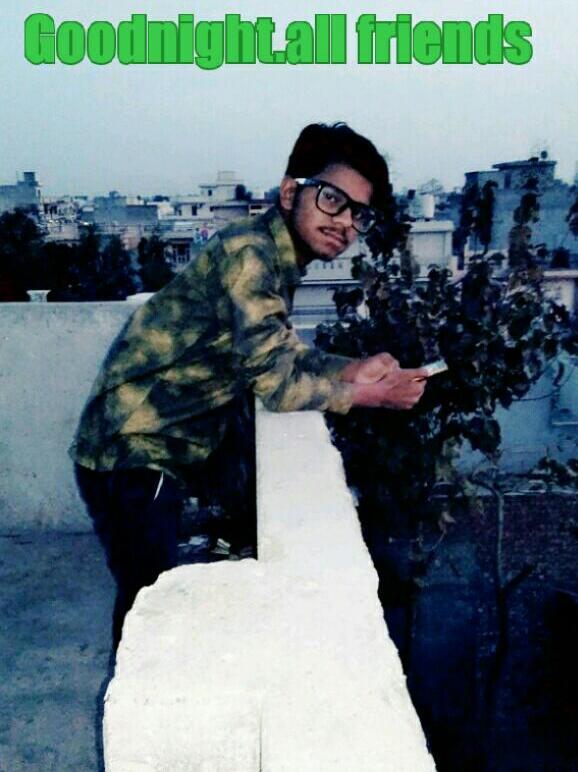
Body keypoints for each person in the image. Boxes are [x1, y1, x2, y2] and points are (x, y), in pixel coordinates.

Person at [70, 122, 428, 648]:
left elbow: (280, 350)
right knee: (148, 610)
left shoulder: (274, 254)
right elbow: (276, 386)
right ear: (290, 192)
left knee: (150, 597)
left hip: (152, 446)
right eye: (333, 200)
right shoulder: (251, 255)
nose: (346, 223)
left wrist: (350, 368)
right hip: (134, 450)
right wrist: (372, 395)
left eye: (359, 213)